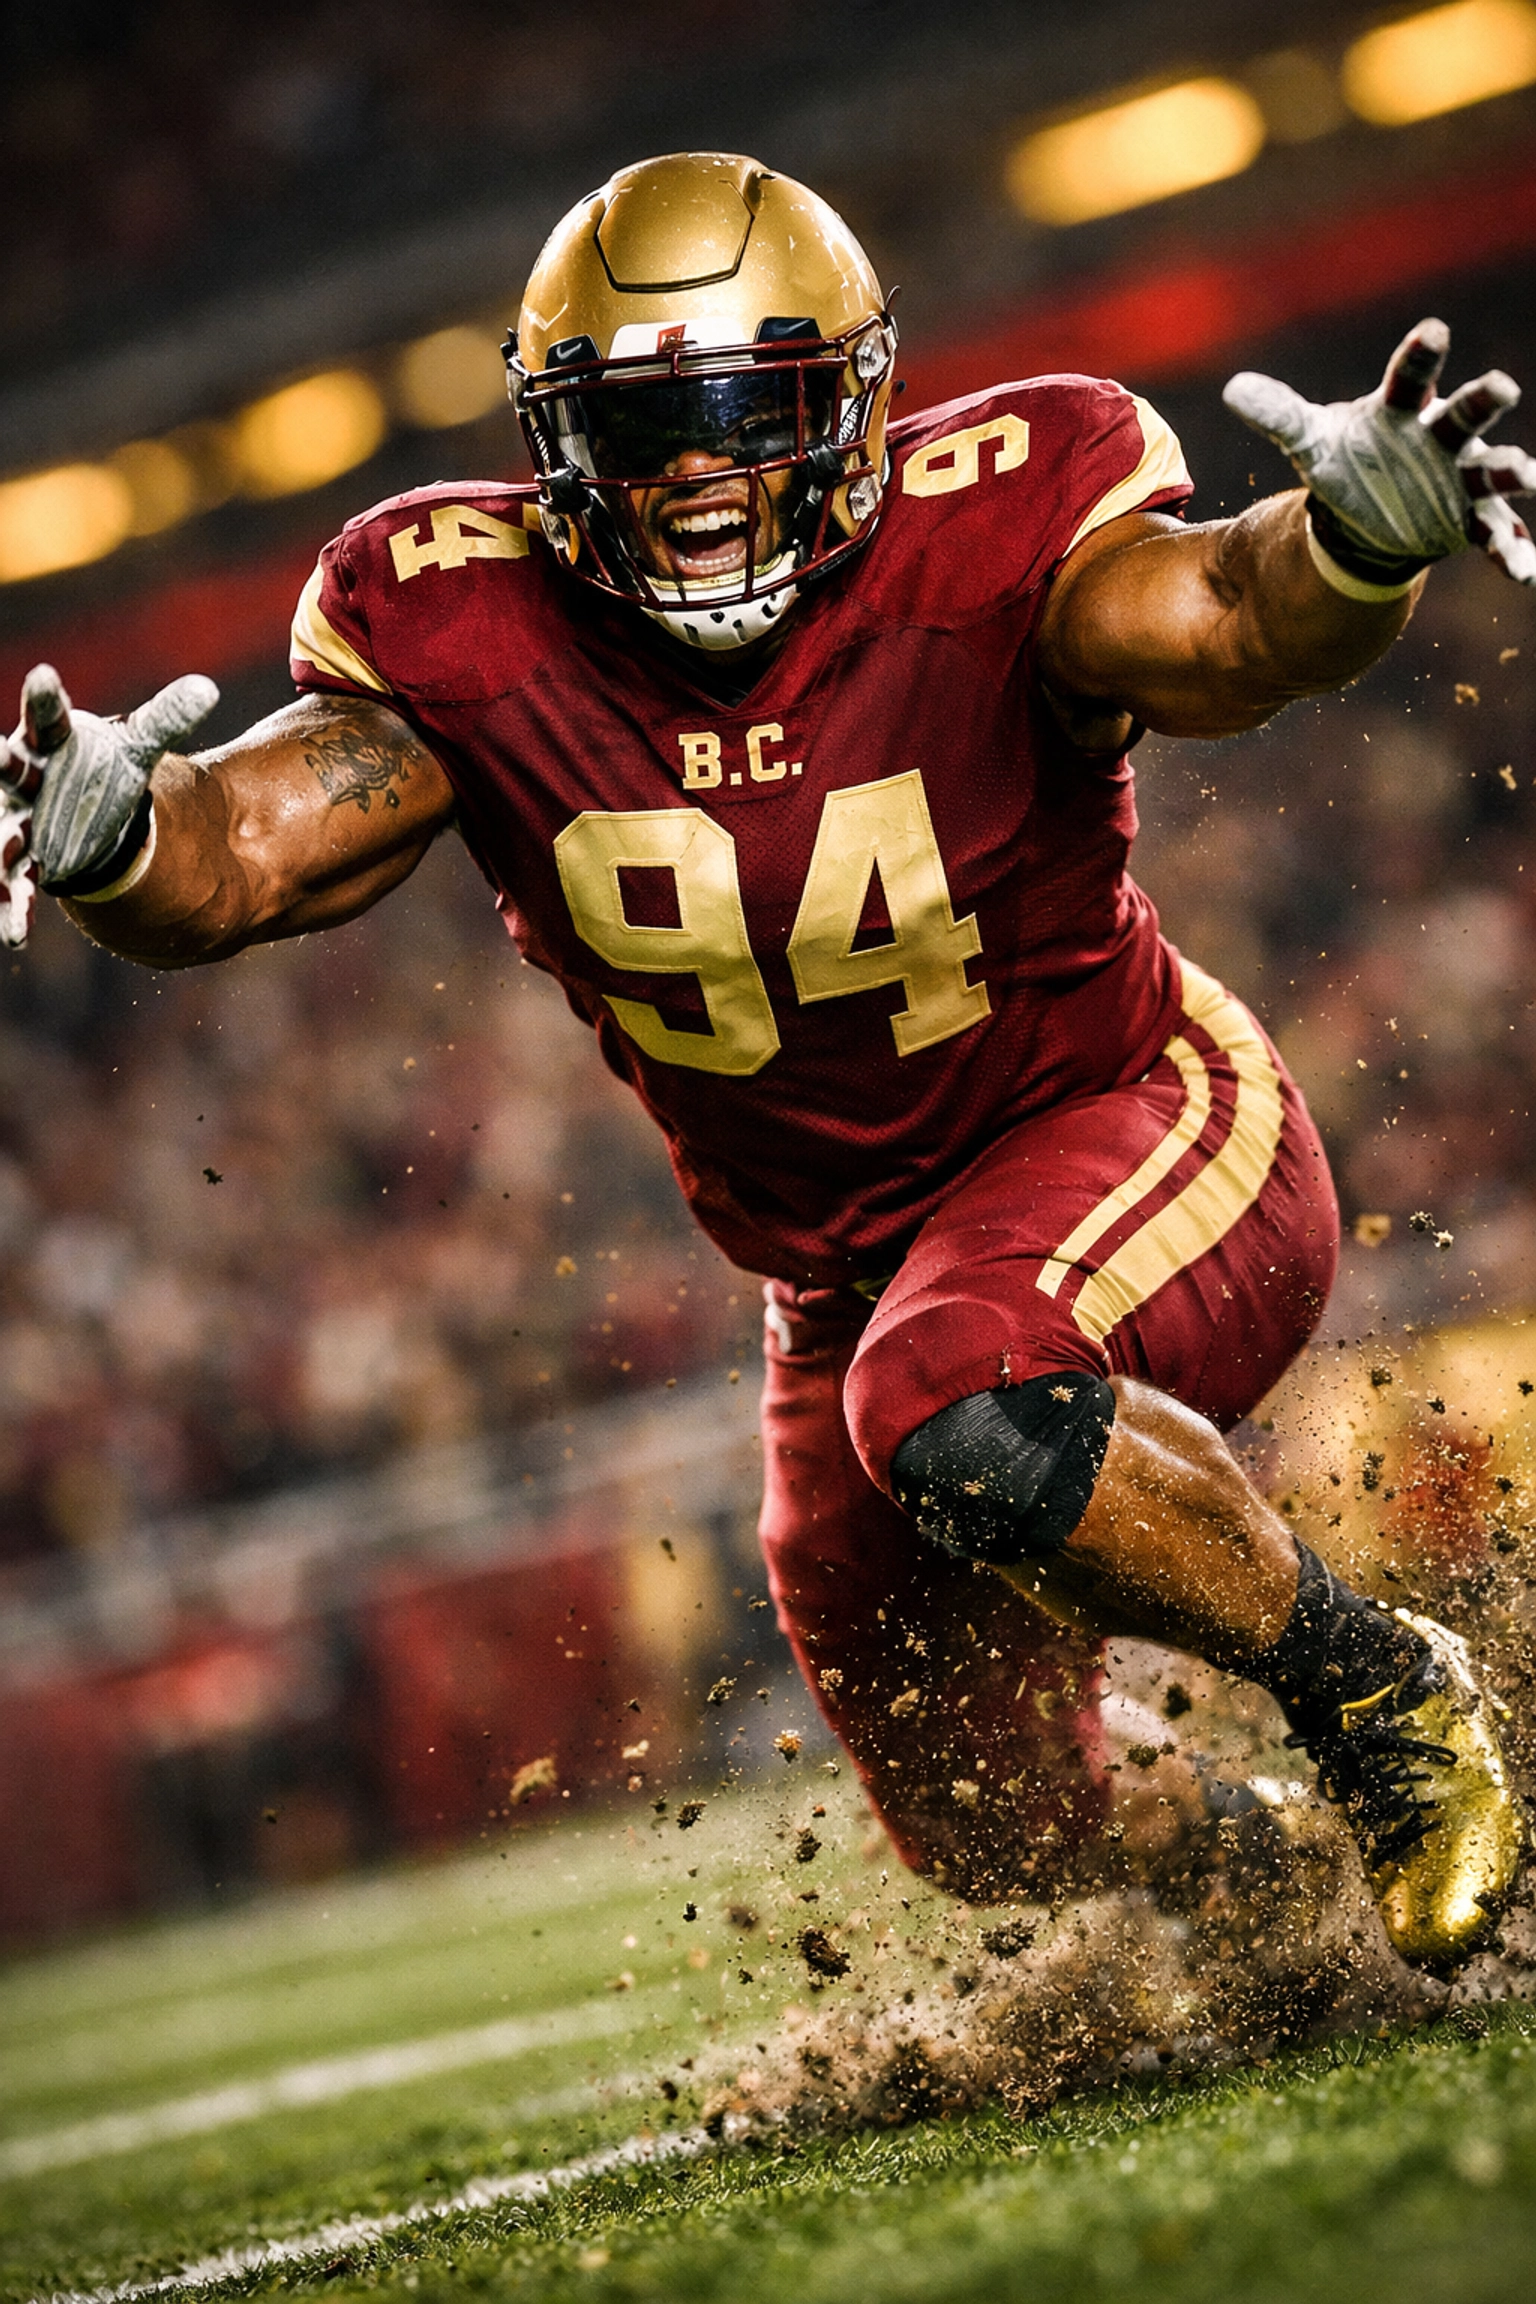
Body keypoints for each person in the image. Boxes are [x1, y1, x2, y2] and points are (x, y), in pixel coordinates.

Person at [5, 153, 1531, 1967]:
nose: (702, 472)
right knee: (985, 1810)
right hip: (837, 1282)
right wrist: (116, 846)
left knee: (955, 1396)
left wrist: (1348, 546)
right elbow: (239, 857)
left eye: (751, 409)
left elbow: (1226, 622)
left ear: (859, 402)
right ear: (556, 445)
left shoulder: (997, 525)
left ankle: (1380, 1697)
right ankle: (1271, 1898)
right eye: (643, 425)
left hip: (1138, 1127)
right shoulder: (465, 626)